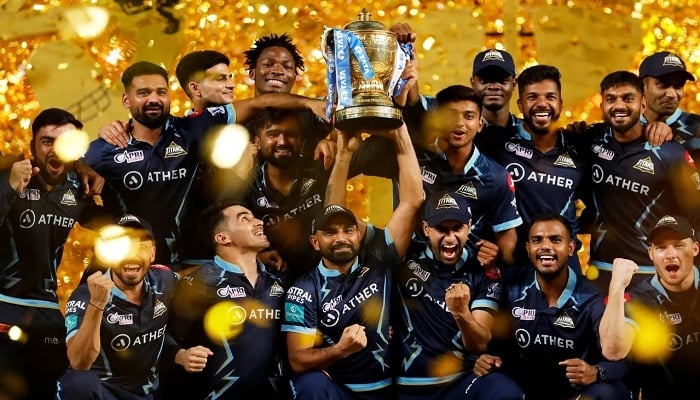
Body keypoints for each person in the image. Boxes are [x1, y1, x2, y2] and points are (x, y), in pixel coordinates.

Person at [281, 121, 424, 399]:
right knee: (308, 384)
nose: (341, 238)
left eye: (348, 230)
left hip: (387, 389)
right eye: (330, 233)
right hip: (339, 390)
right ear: (315, 242)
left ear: (359, 234)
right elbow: (298, 359)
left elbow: (412, 200)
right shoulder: (303, 290)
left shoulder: (379, 256)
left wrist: (400, 133)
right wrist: (341, 349)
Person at [0, 108, 111, 400]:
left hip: (50, 314)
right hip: (4, 305)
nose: (55, 148)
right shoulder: (9, 174)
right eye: (47, 141)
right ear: (33, 144)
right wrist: (8, 187)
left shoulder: (82, 189)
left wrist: (88, 286)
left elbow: (124, 232)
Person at [83, 61, 233, 268]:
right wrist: (118, 228)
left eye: (161, 92)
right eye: (143, 93)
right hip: (134, 268)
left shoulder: (193, 130)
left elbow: (258, 106)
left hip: (195, 264)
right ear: (126, 100)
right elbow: (67, 192)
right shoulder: (104, 149)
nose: (154, 99)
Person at [356, 85, 522, 267]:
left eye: (469, 116)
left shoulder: (496, 177)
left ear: (480, 124)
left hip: (466, 276)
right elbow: (348, 161)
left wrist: (498, 255)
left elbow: (507, 240)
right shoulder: (409, 154)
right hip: (407, 271)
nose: (459, 123)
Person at [471, 214, 630, 400]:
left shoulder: (593, 297)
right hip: (527, 390)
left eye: (555, 240)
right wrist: (486, 360)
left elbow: (621, 360)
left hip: (577, 394)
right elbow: (496, 345)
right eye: (537, 240)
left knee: (609, 392)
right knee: (491, 384)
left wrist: (596, 372)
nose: (546, 246)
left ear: (571, 248)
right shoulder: (512, 290)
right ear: (528, 249)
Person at [55, 214, 211, 400]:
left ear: (152, 253)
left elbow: (157, 332)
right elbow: (79, 363)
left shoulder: (164, 280)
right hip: (100, 392)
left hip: (143, 394)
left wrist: (180, 354)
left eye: (140, 245)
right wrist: (96, 304)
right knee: (78, 384)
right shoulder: (86, 294)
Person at [586, 71, 700, 290]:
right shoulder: (591, 139)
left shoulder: (670, 153)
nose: (619, 106)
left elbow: (696, 212)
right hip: (599, 273)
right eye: (611, 99)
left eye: (628, 98)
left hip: (649, 275)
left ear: (643, 104)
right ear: (602, 106)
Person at [167, 201, 289, 399]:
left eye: (255, 217)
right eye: (245, 219)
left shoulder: (279, 282)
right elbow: (160, 332)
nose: (258, 222)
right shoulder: (199, 283)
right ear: (223, 237)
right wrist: (180, 355)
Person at [392, 190, 507, 399]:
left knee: (504, 390)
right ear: (426, 228)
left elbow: (479, 343)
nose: (450, 237)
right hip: (406, 383)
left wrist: (461, 312)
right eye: (441, 229)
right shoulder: (405, 254)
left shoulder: (484, 271)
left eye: (457, 228)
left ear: (469, 226)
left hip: (458, 382)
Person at [476, 65, 589, 277]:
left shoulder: (580, 146)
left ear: (560, 103)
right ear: (520, 104)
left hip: (565, 271)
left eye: (550, 96)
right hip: (513, 272)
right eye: (532, 97)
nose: (542, 104)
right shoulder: (496, 142)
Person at [599, 214, 700, 399]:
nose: (670, 255)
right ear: (651, 254)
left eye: (678, 245)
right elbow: (613, 351)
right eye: (661, 248)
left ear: (695, 248)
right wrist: (617, 287)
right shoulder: (641, 300)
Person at [639, 51, 700, 167]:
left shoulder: (697, 128)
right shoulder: (624, 126)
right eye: (662, 84)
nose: (672, 94)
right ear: (642, 87)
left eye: (678, 86)